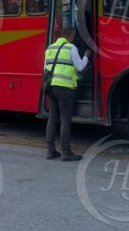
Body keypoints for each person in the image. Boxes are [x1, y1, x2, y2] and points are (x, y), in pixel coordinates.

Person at [44, 27, 90, 161]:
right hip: (65, 88)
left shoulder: (50, 48)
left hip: (50, 86)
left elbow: (45, 68)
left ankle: (50, 151)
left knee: (52, 117)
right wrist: (86, 56)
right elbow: (80, 67)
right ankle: (66, 152)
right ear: (71, 36)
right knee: (65, 119)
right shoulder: (71, 48)